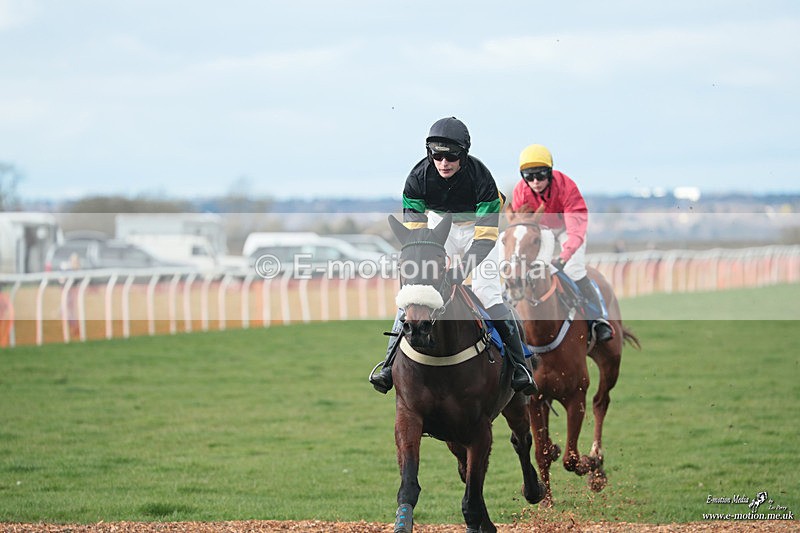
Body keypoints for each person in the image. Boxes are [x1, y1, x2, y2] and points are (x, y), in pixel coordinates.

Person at [369, 117, 536, 395]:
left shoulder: (482, 179)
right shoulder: (416, 179)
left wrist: (459, 272)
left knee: (489, 294)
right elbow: (417, 239)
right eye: (437, 155)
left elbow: (484, 239)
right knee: (416, 292)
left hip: (478, 230)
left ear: (464, 155)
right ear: (429, 153)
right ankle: (387, 366)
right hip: (438, 228)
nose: (443, 163)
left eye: (451, 156)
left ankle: (520, 367)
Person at [511, 143, 613, 342]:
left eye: (540, 175)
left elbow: (575, 231)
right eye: (529, 177)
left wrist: (564, 257)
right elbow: (521, 226)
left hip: (569, 230)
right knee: (526, 270)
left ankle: (598, 319)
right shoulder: (520, 192)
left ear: (549, 172)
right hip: (543, 231)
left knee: (574, 270)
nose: (535, 181)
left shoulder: (566, 187)